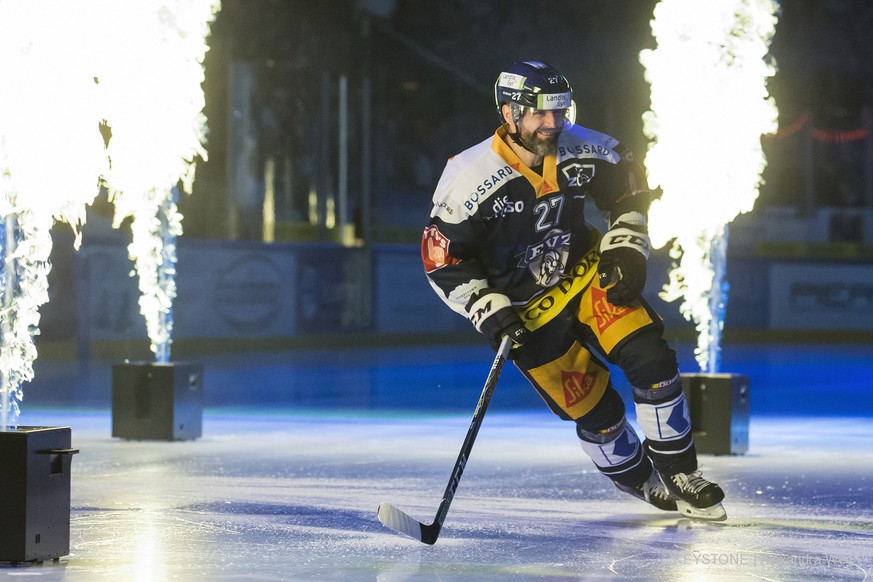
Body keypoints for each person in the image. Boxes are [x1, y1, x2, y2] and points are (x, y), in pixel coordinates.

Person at [420, 60, 726, 520]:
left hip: (585, 278)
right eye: (540, 114)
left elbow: (630, 190)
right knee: (599, 416)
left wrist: (626, 246)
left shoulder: (586, 148)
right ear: (509, 113)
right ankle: (642, 480)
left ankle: (683, 472)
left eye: (559, 112)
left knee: (651, 359)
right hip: (527, 315)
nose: (553, 124)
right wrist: (487, 308)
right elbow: (441, 258)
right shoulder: (466, 178)